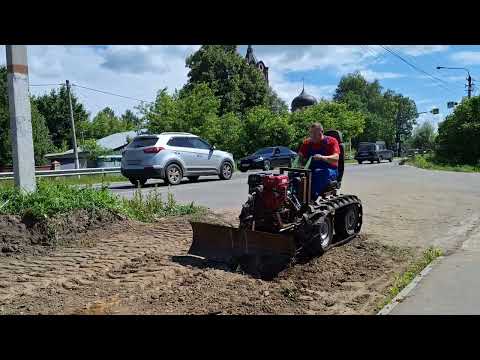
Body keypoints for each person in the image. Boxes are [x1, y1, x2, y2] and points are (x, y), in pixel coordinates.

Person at [297, 122, 340, 199]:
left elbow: (336, 158)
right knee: (294, 174)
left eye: (315, 133)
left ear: (322, 132)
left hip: (329, 169)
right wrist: (298, 161)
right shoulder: (307, 142)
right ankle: (294, 196)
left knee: (318, 173)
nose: (313, 136)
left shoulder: (332, 141)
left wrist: (322, 157)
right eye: (311, 133)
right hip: (311, 169)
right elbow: (300, 157)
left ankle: (312, 198)